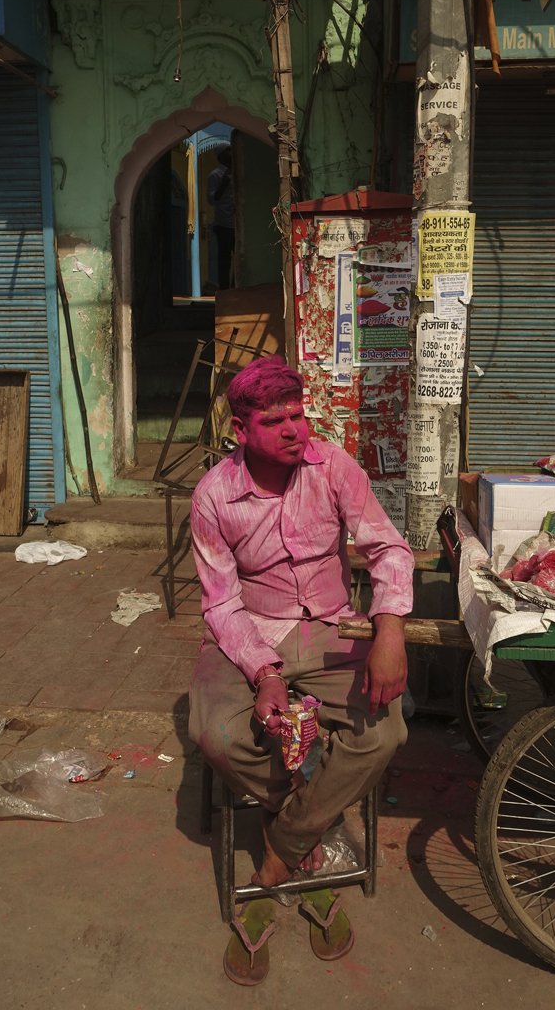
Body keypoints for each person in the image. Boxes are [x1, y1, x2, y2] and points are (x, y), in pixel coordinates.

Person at [188, 354, 413, 984]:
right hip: (247, 633)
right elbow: (220, 602)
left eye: (300, 415)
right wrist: (265, 672)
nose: (296, 430)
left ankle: (281, 849)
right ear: (240, 429)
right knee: (217, 735)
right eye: (276, 420)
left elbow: (386, 546)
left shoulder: (333, 466)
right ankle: (311, 835)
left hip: (334, 625)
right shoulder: (213, 497)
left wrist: (388, 627)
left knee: (386, 731)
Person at [207, 145, 235, 290]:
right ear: (221, 156)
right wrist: (223, 185)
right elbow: (211, 199)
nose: (231, 153)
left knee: (241, 259)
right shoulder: (215, 175)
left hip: (237, 224)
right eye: (228, 151)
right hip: (223, 223)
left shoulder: (237, 171)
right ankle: (225, 292)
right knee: (225, 261)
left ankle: (235, 288)